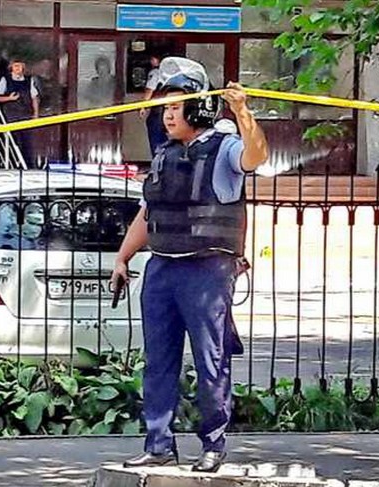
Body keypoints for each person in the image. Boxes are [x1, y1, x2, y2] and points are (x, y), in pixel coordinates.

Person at [111, 57, 268, 473]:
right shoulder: (164, 155)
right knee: (158, 361)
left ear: (198, 109)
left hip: (206, 271)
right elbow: (149, 213)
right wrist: (123, 257)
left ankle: (213, 444)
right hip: (162, 268)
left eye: (175, 108)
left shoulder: (225, 147)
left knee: (210, 360)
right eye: (165, 108)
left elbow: (256, 156)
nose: (167, 116)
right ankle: (158, 443)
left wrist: (242, 111)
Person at [0, 58, 41, 168]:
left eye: (20, 66)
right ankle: (13, 165)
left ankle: (29, 165)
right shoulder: (5, 80)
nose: (17, 68)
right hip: (11, 116)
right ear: (11, 68)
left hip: (26, 115)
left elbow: (34, 98)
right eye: (15, 66)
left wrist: (36, 114)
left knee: (27, 142)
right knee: (13, 141)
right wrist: (9, 98)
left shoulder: (29, 80)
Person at [139, 54, 169, 156]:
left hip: (158, 110)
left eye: (152, 58)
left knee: (155, 136)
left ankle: (158, 160)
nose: (150, 61)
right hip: (169, 109)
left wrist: (143, 106)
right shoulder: (169, 73)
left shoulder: (155, 72)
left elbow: (149, 90)